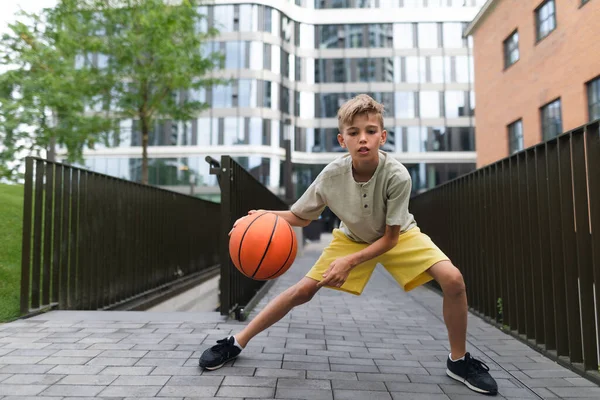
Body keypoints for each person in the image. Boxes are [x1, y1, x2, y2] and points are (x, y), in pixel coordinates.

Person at [199, 94, 498, 396]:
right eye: (354, 133)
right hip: (353, 238)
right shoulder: (331, 176)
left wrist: (349, 262)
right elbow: (300, 217)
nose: (363, 139)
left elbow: (390, 239)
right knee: (301, 290)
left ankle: (458, 360)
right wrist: (264, 215)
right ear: (342, 140)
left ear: (382, 137)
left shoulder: (397, 176)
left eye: (370, 131)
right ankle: (236, 342)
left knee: (453, 280)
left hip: (399, 236)